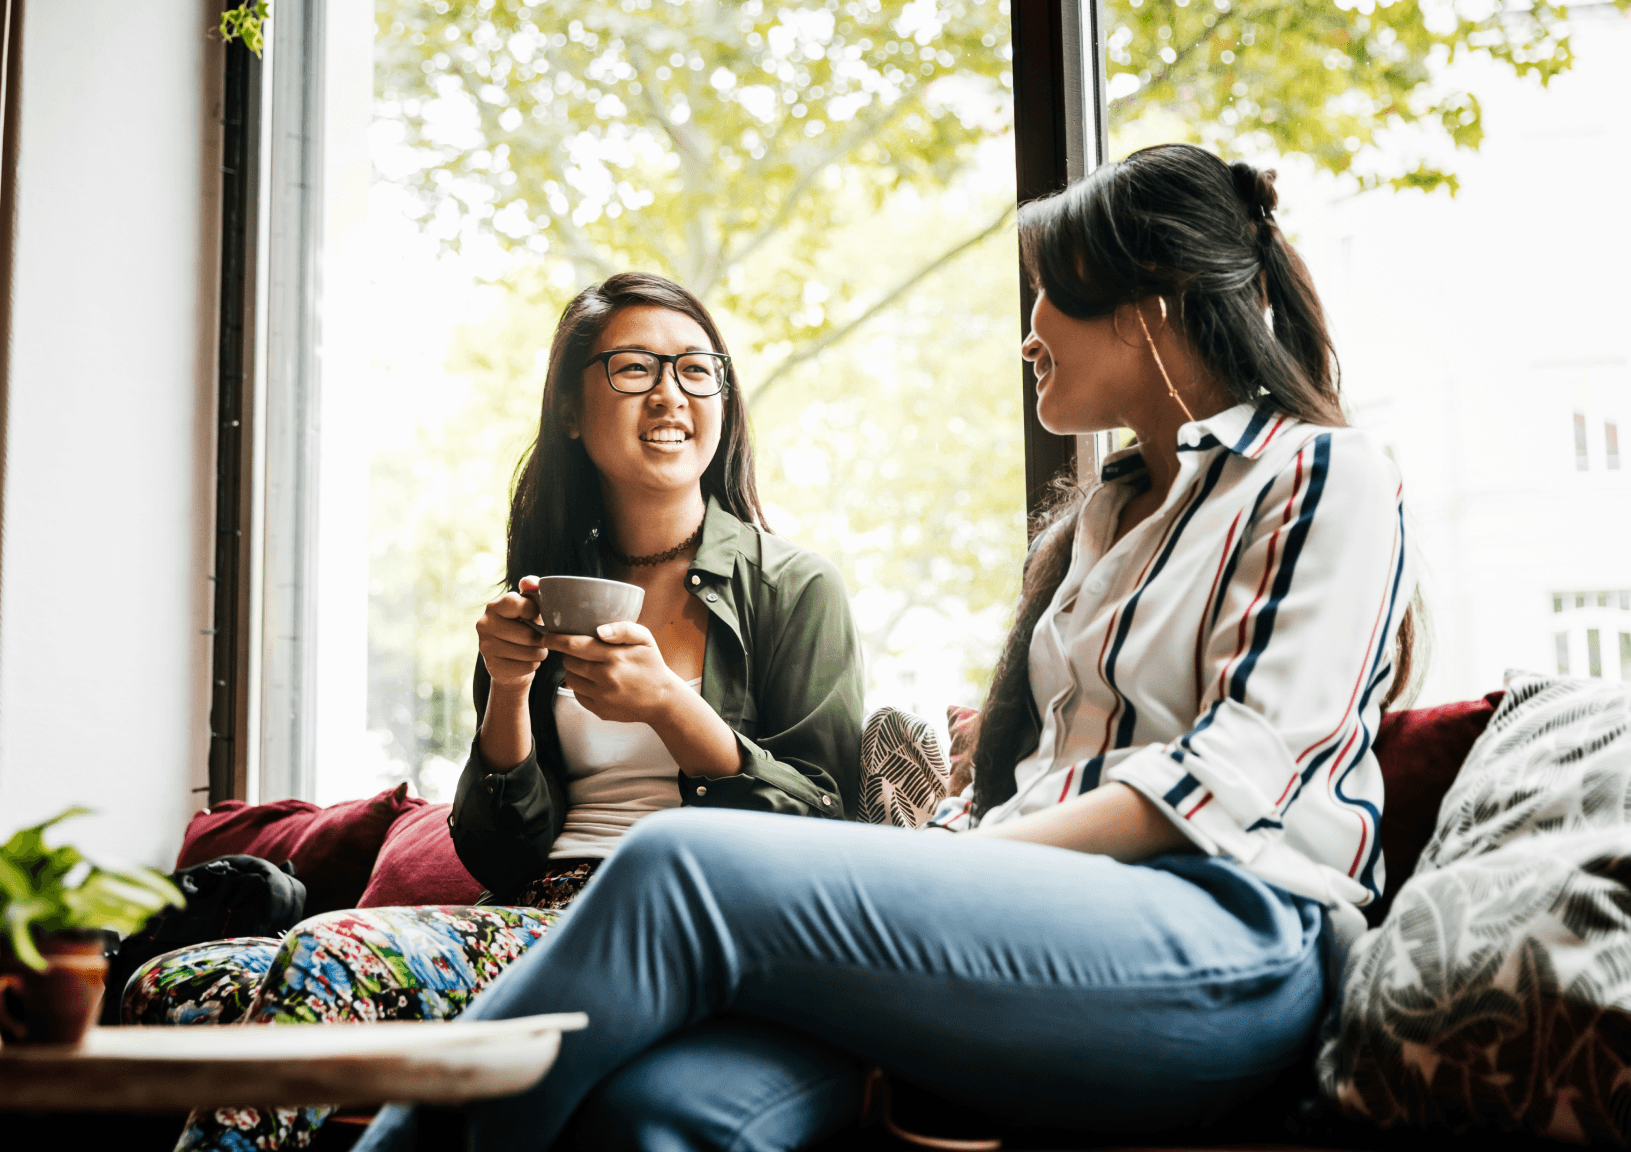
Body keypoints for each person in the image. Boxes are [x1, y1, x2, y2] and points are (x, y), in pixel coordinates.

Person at [354, 142, 1418, 1152]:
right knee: (650, 1112)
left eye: (1049, 293)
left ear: (1151, 307)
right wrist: (947, 859)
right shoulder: (1109, 519)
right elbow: (1036, 786)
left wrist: (933, 871)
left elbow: (1233, 778)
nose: (1029, 330)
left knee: (682, 863)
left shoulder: (1324, 476)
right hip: (1037, 933)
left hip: (1226, 946)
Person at [153, 271, 866, 1151]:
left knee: (337, 951)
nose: (671, 395)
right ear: (571, 410)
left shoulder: (793, 587)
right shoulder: (545, 594)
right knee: (187, 982)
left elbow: (832, 820)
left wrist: (673, 710)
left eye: (695, 369)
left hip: (667, 925)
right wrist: (507, 692)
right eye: (635, 370)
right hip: (532, 909)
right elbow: (498, 849)